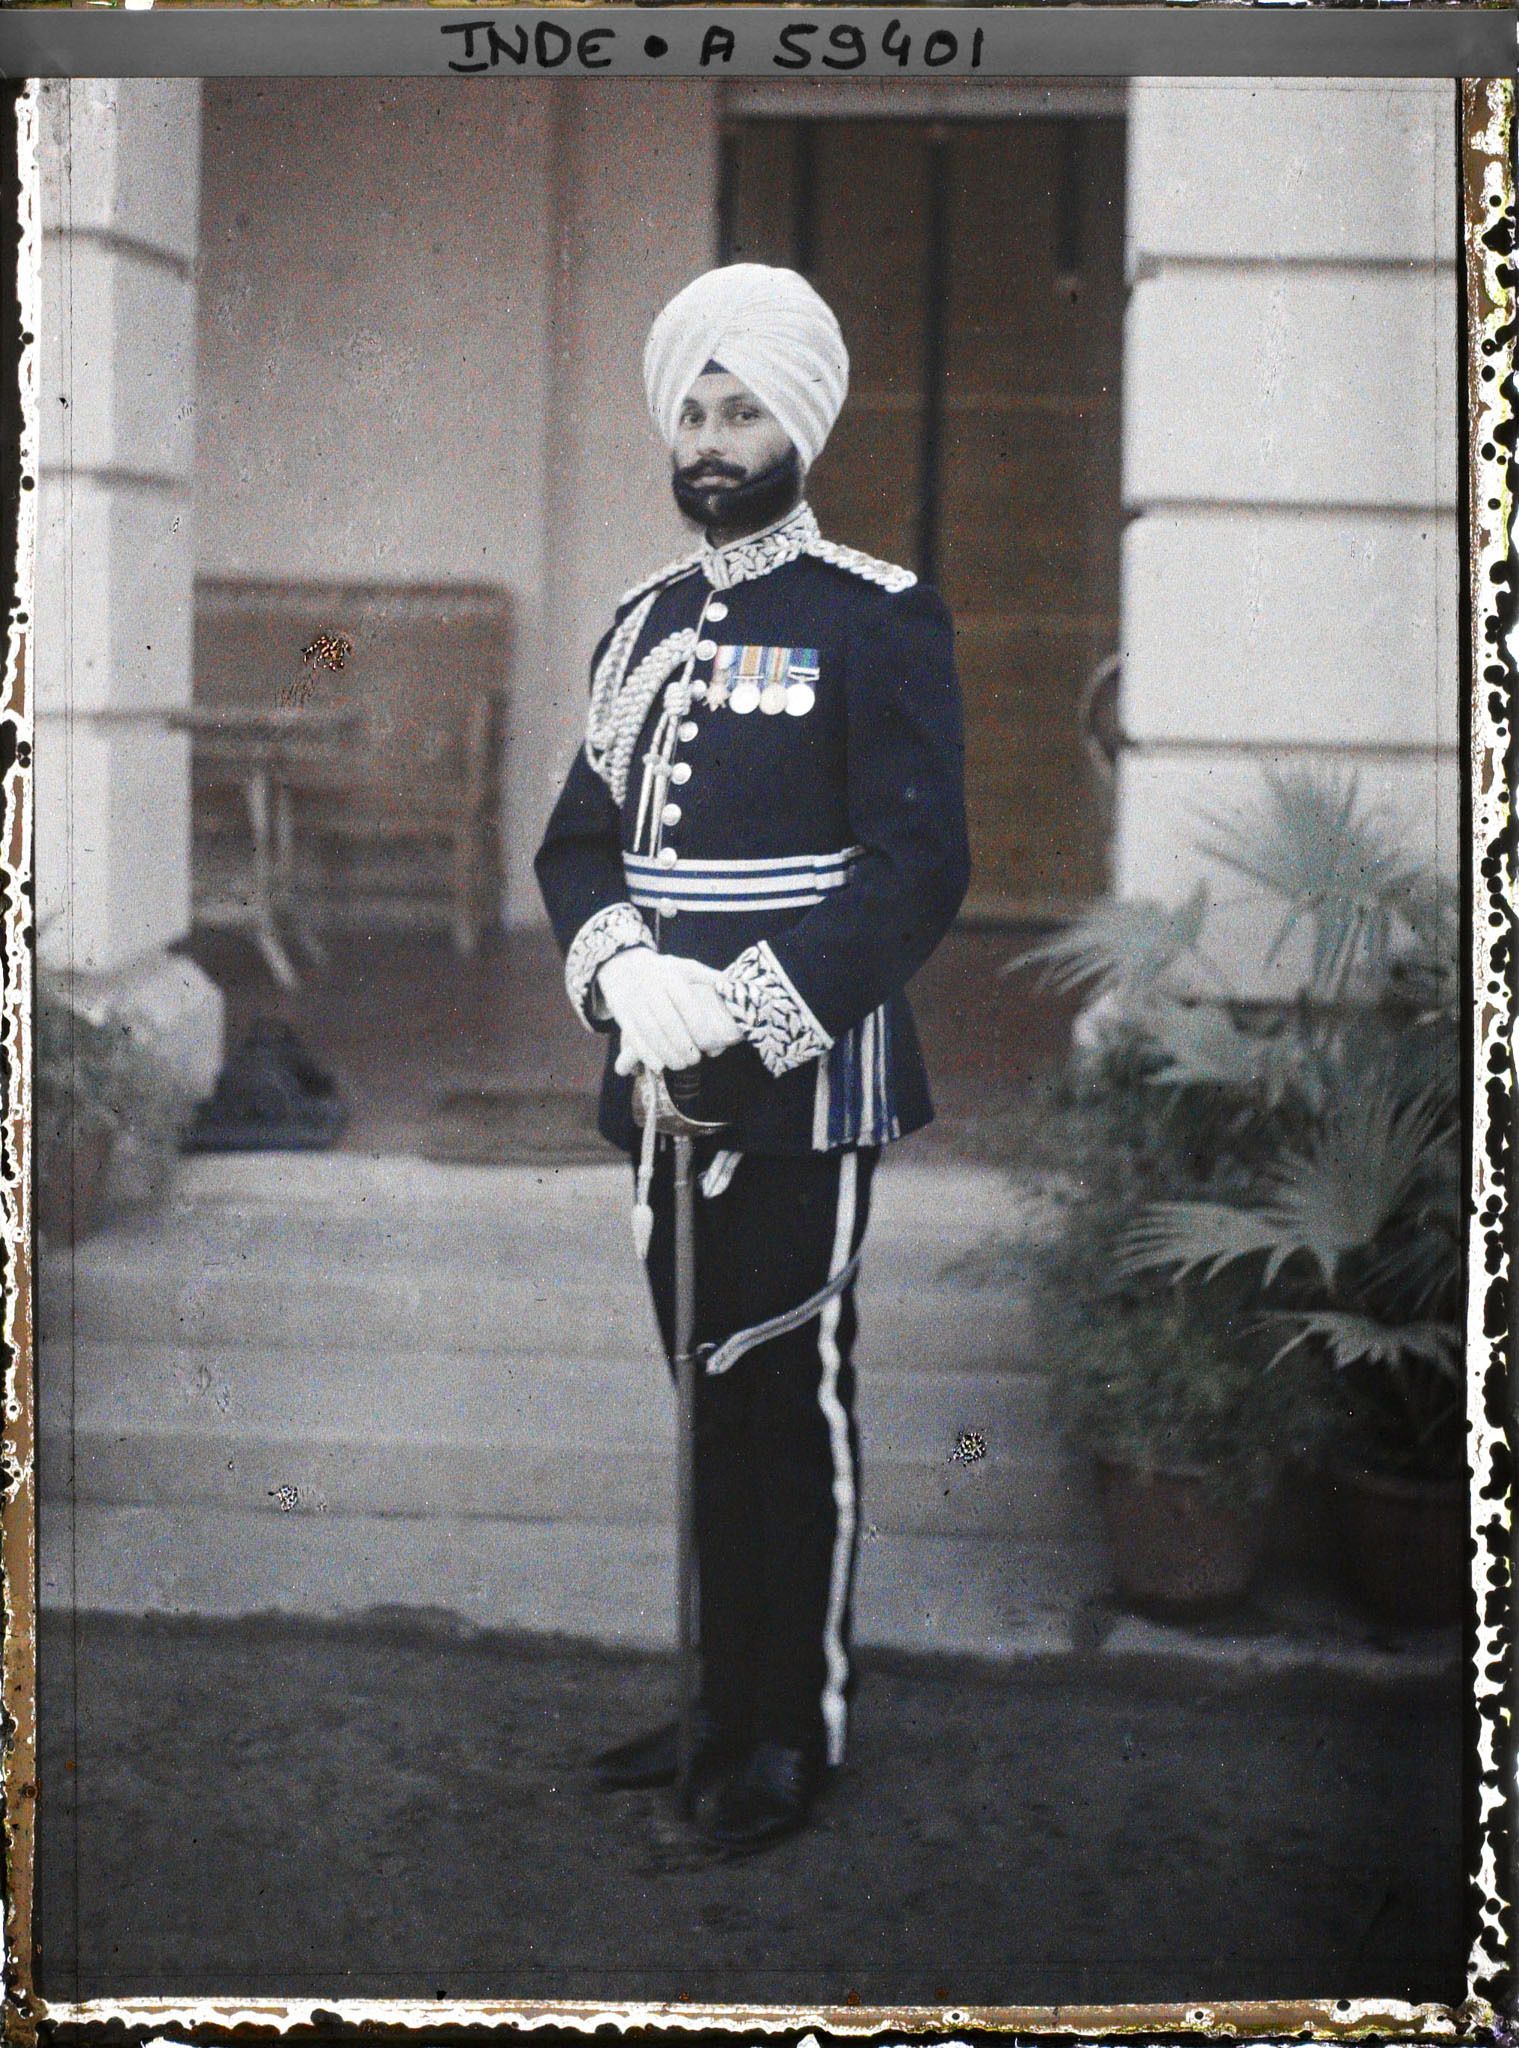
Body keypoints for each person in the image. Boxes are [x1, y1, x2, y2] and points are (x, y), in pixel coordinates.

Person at [534, 262, 970, 1854]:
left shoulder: (878, 614)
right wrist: (624, 969)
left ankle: (799, 1727)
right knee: (707, 1392)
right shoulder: (639, 626)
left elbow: (918, 867)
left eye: (744, 413)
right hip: (655, 1078)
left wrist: (753, 1003)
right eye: (696, 413)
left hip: (808, 1070)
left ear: (800, 423)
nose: (714, 442)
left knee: (788, 1392)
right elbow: (579, 844)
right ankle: (722, 1700)